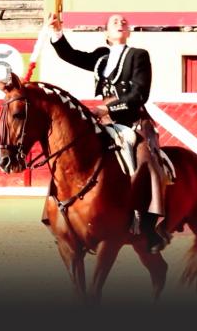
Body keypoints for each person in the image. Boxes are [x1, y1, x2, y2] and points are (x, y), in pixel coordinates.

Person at [48, 13, 169, 253]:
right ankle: (61, 217)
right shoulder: (100, 58)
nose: (120, 22)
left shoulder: (138, 55)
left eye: (123, 21)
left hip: (133, 120)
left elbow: (139, 95)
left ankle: (149, 226)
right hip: (104, 122)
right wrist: (57, 32)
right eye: (114, 21)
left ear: (129, 31)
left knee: (145, 161)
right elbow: (70, 55)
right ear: (106, 33)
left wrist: (107, 108)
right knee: (70, 157)